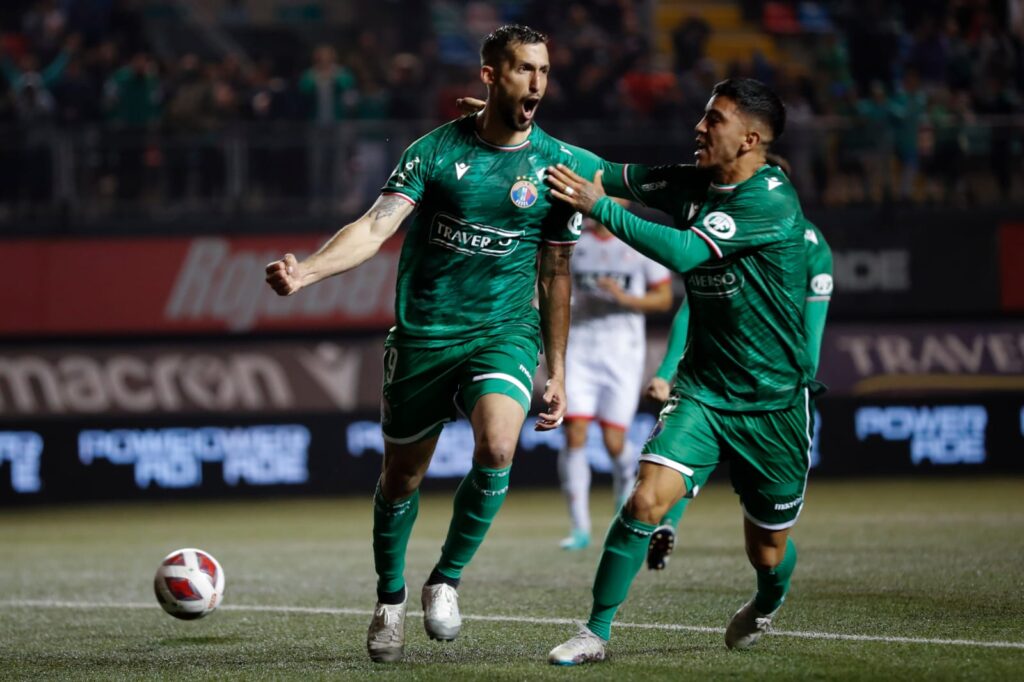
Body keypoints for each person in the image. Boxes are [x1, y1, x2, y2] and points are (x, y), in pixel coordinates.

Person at [265, 24, 586, 664]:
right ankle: (389, 597)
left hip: (504, 332)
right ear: (490, 75)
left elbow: (554, 273)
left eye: (544, 71)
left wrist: (557, 368)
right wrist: (308, 272)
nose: (537, 84)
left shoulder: (558, 168)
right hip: (424, 336)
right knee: (402, 475)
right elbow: (375, 225)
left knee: (498, 444)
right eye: (523, 69)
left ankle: (446, 579)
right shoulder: (434, 152)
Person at [538, 77, 820, 664]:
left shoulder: (769, 199)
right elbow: (606, 170)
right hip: (705, 392)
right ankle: (595, 632)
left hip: (772, 402)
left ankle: (768, 601)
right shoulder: (694, 182)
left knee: (768, 551)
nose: (698, 126)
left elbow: (686, 252)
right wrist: (518, 135)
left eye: (712, 119)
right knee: (644, 501)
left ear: (749, 138)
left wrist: (602, 209)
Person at [641, 152, 834, 574]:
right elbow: (694, 307)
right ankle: (664, 524)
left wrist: (794, 389)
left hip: (774, 391)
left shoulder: (809, 247)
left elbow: (811, 327)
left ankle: (762, 588)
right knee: (690, 452)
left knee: (767, 544)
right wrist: (666, 370)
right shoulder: (724, 229)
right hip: (720, 376)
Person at [558, 212, 673, 551]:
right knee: (574, 431)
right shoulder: (574, 241)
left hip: (622, 353)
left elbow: (664, 298)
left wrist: (625, 299)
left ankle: (626, 490)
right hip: (579, 348)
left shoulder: (638, 243)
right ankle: (579, 528)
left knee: (613, 441)